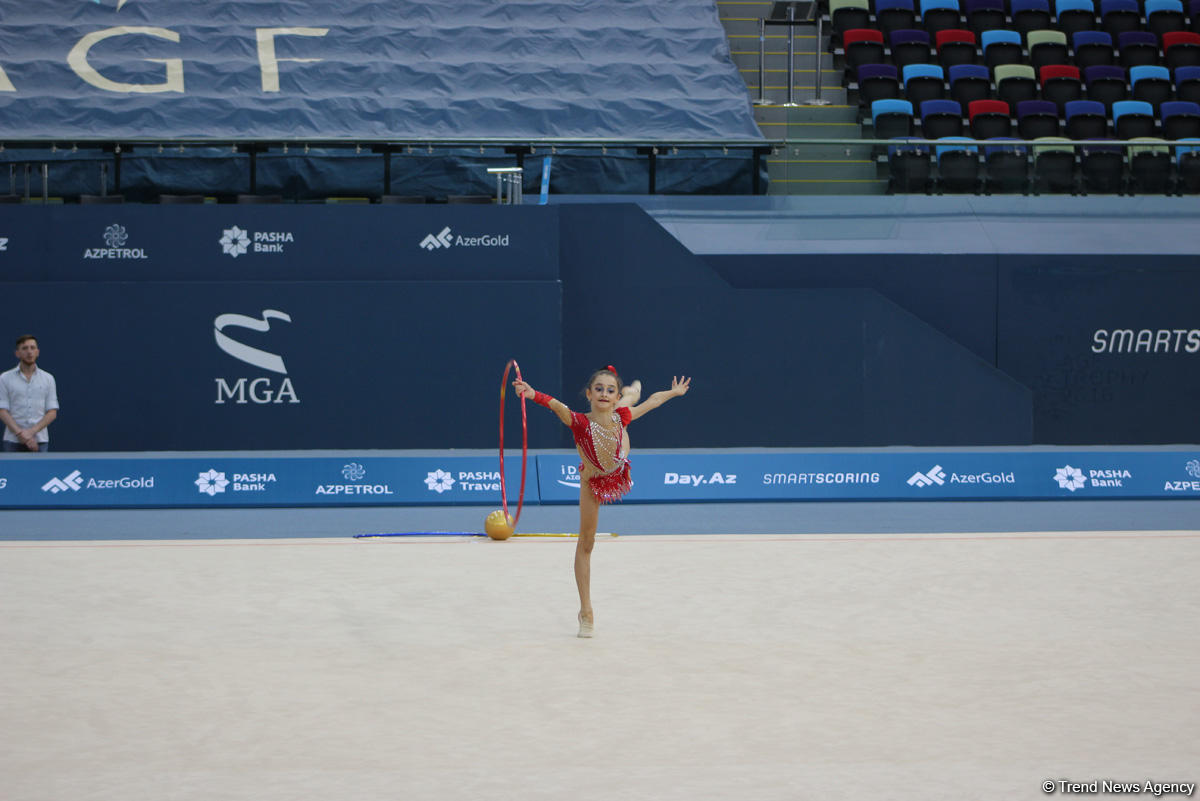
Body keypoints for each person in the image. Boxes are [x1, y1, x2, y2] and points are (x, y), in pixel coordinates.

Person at [513, 365, 691, 638]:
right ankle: (586, 611)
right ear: (589, 394)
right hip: (592, 482)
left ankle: (631, 391)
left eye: (610, 390)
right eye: (599, 389)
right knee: (586, 542)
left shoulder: (621, 415)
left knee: (628, 411)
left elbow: (654, 401)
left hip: (619, 465)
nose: (604, 394)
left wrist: (674, 392)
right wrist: (532, 393)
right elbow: (556, 406)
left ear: (614, 396)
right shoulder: (580, 423)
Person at [0, 335, 59, 453]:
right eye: (25, 348)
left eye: (32, 348)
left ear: (38, 352)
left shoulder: (48, 379)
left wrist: (31, 432)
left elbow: (52, 412)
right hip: (13, 440)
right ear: (17, 353)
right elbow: (2, 410)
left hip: (39, 440)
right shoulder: (5, 378)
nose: (29, 352)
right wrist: (20, 434)